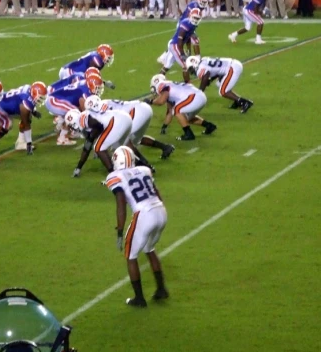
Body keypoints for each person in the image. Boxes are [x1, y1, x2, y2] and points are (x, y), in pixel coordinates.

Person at [105, 145, 168, 307]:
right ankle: (161, 289)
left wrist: (120, 230)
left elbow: (121, 203)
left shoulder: (114, 176)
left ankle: (139, 298)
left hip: (144, 214)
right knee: (149, 249)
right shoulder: (144, 170)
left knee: (131, 255)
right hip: (160, 210)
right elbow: (156, 191)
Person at [66, 106, 133, 175]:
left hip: (116, 122)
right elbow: (87, 148)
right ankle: (139, 164)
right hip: (125, 118)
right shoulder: (84, 118)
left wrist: (91, 137)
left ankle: (114, 174)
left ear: (73, 123)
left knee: (98, 147)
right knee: (119, 147)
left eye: (71, 126)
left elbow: (98, 126)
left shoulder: (82, 120)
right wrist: (78, 167)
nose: (72, 129)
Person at [148, 74, 215, 141]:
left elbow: (161, 101)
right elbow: (170, 111)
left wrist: (150, 101)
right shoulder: (169, 84)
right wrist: (164, 127)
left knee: (177, 110)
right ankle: (209, 126)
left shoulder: (162, 86)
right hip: (199, 96)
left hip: (194, 97)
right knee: (185, 118)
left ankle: (188, 134)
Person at [0, 82, 47, 153]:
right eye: (40, 97)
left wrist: (33, 111)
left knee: (28, 116)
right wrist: (29, 143)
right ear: (34, 94)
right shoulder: (27, 100)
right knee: (8, 124)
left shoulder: (29, 90)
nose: (41, 99)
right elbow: (26, 124)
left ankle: (20, 142)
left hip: (5, 102)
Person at [186, 55, 253, 113]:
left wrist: (200, 92)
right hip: (232, 64)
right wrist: (210, 80)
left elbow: (205, 77)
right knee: (219, 84)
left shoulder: (200, 68)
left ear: (194, 65)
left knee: (223, 91)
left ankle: (244, 102)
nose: (191, 71)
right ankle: (236, 100)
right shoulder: (204, 59)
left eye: (191, 68)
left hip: (232, 68)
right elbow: (215, 70)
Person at [157, 5, 201, 82]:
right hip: (175, 45)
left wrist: (189, 50)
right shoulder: (186, 24)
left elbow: (187, 38)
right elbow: (180, 40)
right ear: (190, 16)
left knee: (167, 66)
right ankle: (188, 85)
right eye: (195, 17)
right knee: (185, 66)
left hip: (175, 44)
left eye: (197, 18)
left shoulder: (192, 25)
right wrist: (182, 53)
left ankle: (157, 81)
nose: (196, 20)